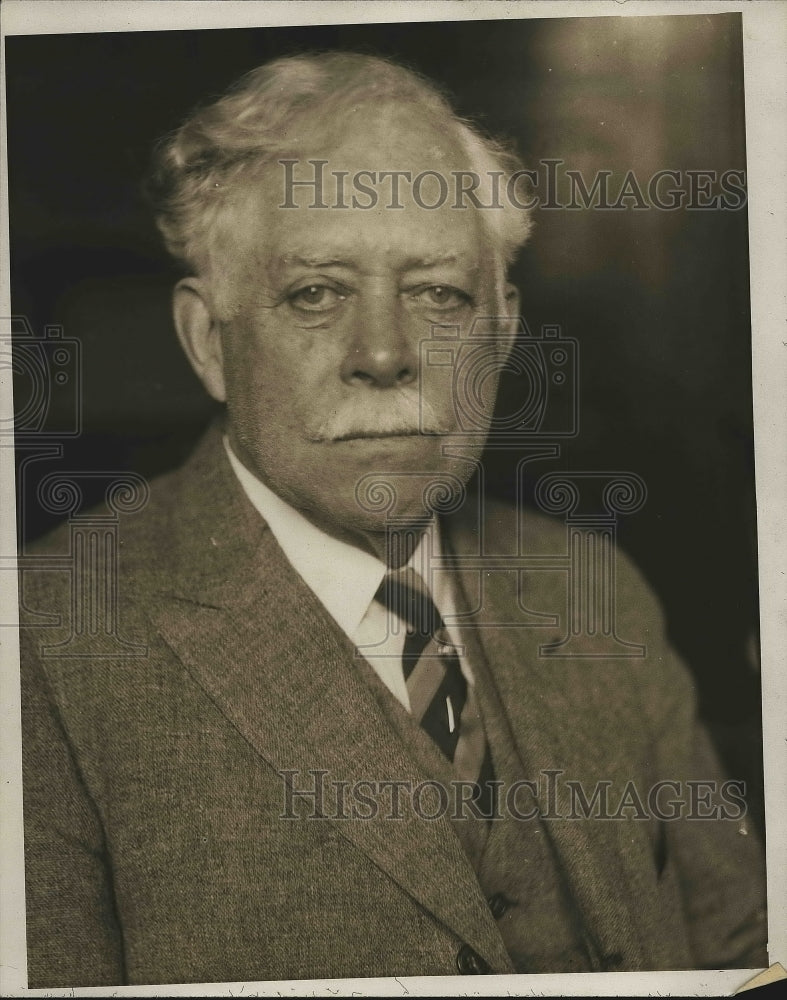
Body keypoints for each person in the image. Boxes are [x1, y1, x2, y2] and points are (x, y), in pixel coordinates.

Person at [20, 52, 767, 988]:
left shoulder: (596, 591)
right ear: (210, 342)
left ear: (500, 329)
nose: (383, 353)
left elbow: (745, 959)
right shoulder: (43, 647)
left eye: (437, 294)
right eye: (316, 293)